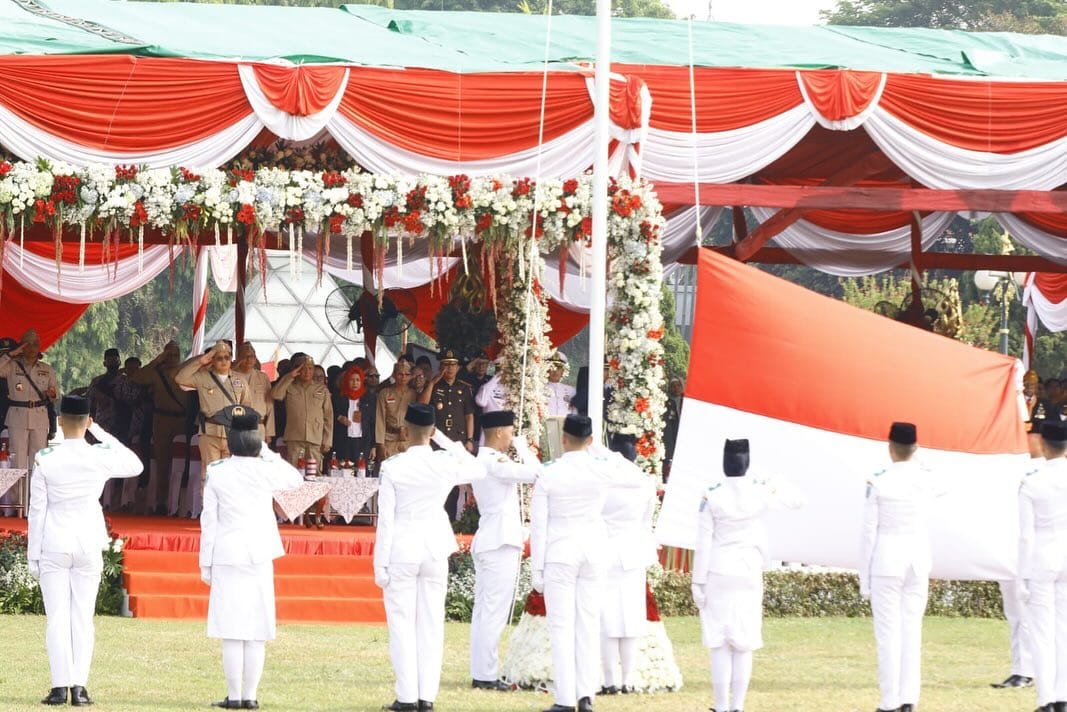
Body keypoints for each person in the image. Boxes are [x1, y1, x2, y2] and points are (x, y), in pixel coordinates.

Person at [27, 395, 143, 706]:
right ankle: (79, 686)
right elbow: (136, 464)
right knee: (82, 617)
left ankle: (58, 686)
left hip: (54, 540)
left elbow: (36, 510)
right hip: (87, 540)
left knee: (57, 617)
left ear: (60, 421)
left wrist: (32, 555)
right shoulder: (98, 455)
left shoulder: (46, 457)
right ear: (88, 421)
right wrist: (101, 432)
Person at [529, 414, 647, 712]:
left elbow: (539, 526)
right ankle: (586, 694)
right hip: (594, 551)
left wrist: (537, 569)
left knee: (562, 626)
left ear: (563, 439)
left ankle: (566, 698)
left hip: (560, 551)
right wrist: (603, 453)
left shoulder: (549, 473)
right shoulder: (600, 468)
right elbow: (637, 478)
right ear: (591, 441)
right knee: (589, 623)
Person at [375, 403, 487, 711]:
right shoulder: (443, 462)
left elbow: (385, 519)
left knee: (402, 624)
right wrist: (444, 440)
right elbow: (478, 468)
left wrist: (379, 563)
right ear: (431, 431)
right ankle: (427, 696)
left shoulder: (394, 466)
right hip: (434, 546)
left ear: (406, 430)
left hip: (403, 546)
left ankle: (407, 696)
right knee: (431, 623)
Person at [199, 405, 303, 710]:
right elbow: (295, 478)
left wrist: (205, 563)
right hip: (258, 552)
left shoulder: (217, 472)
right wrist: (266, 452)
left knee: (231, 629)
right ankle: (250, 696)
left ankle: (234, 696)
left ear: (230, 442)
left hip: (228, 552)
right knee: (256, 629)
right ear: (256, 439)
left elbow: (209, 521)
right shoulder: (266, 469)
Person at [691, 438, 801, 712]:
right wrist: (774, 479)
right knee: (744, 641)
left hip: (718, 569)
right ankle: (737, 706)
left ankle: (720, 705)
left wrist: (697, 581)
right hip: (749, 569)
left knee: (719, 641)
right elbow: (798, 501)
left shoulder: (711, 492)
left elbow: (704, 541)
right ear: (748, 463)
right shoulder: (759, 491)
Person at [859, 422, 941, 712]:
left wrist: (863, 577)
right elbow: (939, 486)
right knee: (911, 631)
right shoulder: (926, 478)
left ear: (889, 447)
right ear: (916, 448)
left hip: (887, 559)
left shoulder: (878, 479)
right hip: (917, 559)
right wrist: (916, 457)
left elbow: (869, 533)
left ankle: (889, 700)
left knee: (888, 634)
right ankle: (909, 699)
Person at [469, 410, 542, 691]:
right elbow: (538, 474)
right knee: (493, 611)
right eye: (511, 432)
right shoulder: (495, 461)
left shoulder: (487, 460)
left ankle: (481, 671)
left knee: (485, 610)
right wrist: (524, 450)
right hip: (499, 543)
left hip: (492, 540)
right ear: (499, 433)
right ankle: (485, 674)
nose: (513, 437)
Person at [600, 445, 657, 695]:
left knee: (608, 619)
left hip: (607, 551)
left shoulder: (604, 480)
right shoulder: (644, 483)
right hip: (633, 551)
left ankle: (610, 678)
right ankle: (628, 677)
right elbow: (647, 520)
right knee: (631, 618)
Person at [1019, 419, 1067, 712]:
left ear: (1042, 444)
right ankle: (1063, 695)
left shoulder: (1032, 480)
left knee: (1041, 631)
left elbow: (1025, 534)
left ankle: (1045, 698)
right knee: (1064, 629)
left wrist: (1022, 574)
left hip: (1042, 556)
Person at [992, 417, 1040, 690]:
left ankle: (1025, 669)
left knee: (1026, 613)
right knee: (1016, 613)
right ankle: (1023, 667)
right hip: (1012, 547)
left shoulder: (1034, 471)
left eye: (1031, 433)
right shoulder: (1012, 466)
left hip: (1032, 552)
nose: (1026, 437)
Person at [129, 340, 190, 515]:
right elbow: (136, 378)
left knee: (183, 464)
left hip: (182, 421)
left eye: (176, 355)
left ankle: (180, 503)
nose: (173, 358)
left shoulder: (185, 372)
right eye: (169, 355)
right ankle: (161, 502)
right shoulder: (156, 374)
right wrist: (158, 359)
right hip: (161, 420)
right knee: (162, 463)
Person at [270, 354, 332, 527]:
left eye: (310, 369)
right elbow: (275, 395)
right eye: (303, 368)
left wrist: (327, 440)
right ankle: (296, 514)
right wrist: (290, 376)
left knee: (314, 478)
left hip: (315, 439)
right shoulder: (289, 386)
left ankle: (313, 514)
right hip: (295, 438)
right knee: (294, 476)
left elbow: (329, 417)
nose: (307, 372)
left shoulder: (321, 389)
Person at [420, 349, 476, 518]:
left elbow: (469, 416)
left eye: (453, 365)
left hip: (457, 442)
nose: (450, 369)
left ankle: (451, 520)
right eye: (446, 365)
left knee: (453, 483)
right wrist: (431, 383)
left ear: (458, 367)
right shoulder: (434, 386)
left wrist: (470, 439)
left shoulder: (464, 388)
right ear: (440, 366)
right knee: (437, 482)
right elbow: (422, 404)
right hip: (437, 441)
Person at [177, 341, 244, 476]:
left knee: (230, 477)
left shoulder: (239, 379)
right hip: (210, 433)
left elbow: (246, 404)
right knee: (210, 475)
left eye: (227, 357)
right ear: (212, 359)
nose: (224, 361)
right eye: (219, 358)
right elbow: (180, 379)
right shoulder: (202, 377)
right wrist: (200, 362)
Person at [0, 329, 59, 472]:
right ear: (22, 346)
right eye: (28, 344)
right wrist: (11, 354)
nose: (31, 348)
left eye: (35, 344)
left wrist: (52, 394)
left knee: (38, 462)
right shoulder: (11, 366)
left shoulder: (47, 369)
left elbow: (56, 395)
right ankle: (17, 495)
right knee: (17, 462)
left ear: (39, 347)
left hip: (39, 417)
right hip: (17, 417)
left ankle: (35, 495)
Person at [231, 342, 274, 441]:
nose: (249, 359)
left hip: (258, 427)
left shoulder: (263, 377)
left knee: (257, 456)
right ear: (238, 358)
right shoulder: (230, 376)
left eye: (252, 356)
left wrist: (269, 432)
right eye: (245, 356)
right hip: (237, 427)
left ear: (255, 359)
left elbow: (270, 405)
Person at [376, 361, 416, 460]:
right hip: (389, 440)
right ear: (394, 374)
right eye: (400, 374)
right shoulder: (385, 393)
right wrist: (380, 445)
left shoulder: (414, 394)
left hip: (408, 442)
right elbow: (380, 420)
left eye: (407, 374)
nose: (403, 377)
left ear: (411, 376)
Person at [544, 352, 576, 418]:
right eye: (552, 367)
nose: (555, 371)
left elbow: (575, 413)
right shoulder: (539, 390)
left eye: (558, 368)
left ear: (563, 371)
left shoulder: (571, 391)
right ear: (546, 369)